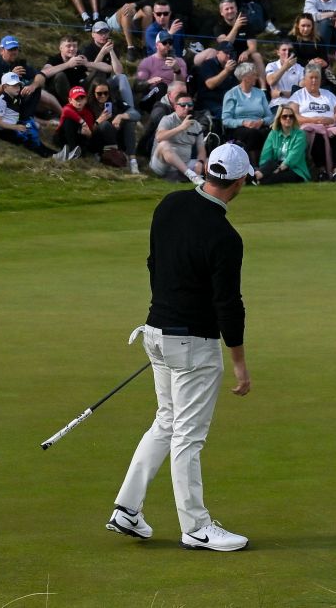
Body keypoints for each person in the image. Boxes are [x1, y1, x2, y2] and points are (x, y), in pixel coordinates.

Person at [111, 142, 254, 553]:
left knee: (166, 423)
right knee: (187, 437)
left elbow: (155, 263)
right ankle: (196, 527)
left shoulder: (169, 204)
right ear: (240, 181)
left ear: (207, 172)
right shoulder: (226, 236)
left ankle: (127, 508)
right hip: (192, 345)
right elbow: (229, 304)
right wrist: (240, 364)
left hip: (155, 333)